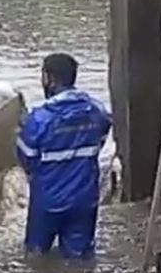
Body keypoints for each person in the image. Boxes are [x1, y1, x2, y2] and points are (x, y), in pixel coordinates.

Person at [15, 53, 111, 259]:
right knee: (80, 261)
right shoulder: (97, 111)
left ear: (49, 78)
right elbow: (100, 140)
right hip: (84, 201)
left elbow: (26, 160)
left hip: (47, 201)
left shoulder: (38, 119)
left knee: (35, 258)